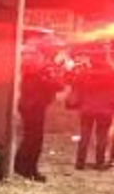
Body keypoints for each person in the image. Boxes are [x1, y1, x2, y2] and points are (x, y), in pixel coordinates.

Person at [14, 44, 63, 181]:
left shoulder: (30, 64)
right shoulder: (42, 67)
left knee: (29, 138)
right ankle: (27, 168)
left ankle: (23, 167)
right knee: (34, 139)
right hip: (35, 106)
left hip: (27, 105)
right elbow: (58, 85)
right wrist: (54, 71)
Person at [70, 49, 114, 170]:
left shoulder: (85, 73)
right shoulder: (112, 73)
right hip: (106, 110)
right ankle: (99, 162)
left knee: (85, 135)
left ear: (92, 60)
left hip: (87, 109)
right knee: (102, 136)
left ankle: (80, 162)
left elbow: (76, 87)